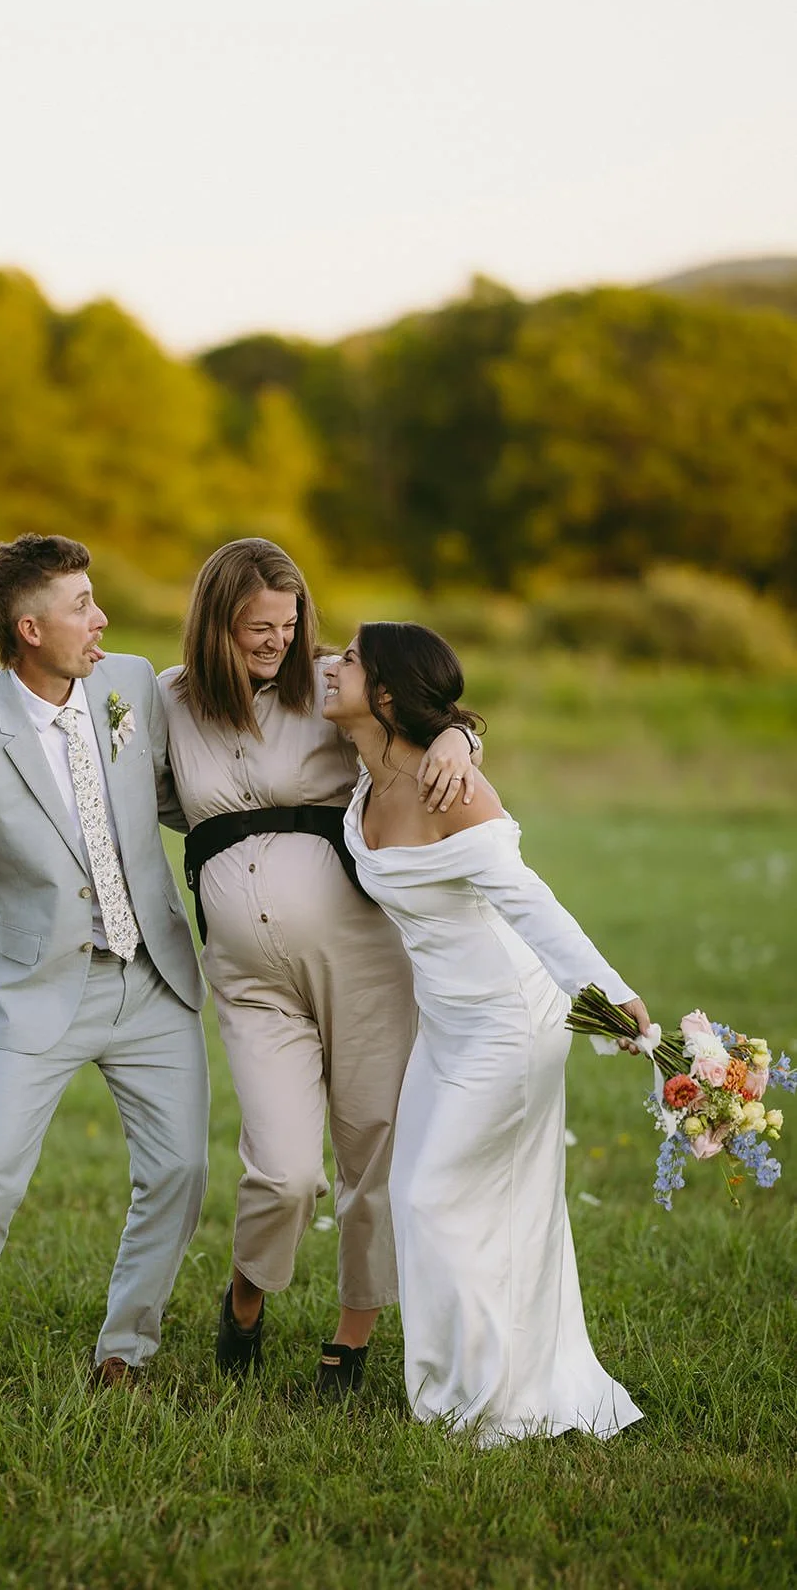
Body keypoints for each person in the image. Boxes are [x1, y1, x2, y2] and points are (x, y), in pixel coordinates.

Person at [157, 539, 479, 1399]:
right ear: (213, 624)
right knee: (283, 1168)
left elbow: (423, 706)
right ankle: (245, 1298)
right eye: (256, 626)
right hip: (245, 973)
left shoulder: (333, 682)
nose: (277, 641)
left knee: (372, 1143)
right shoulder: (168, 703)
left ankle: (353, 1331)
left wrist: (456, 738)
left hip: (364, 959)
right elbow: (131, 798)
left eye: (289, 623)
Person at [324, 621, 647, 1443]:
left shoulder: (451, 790)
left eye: (350, 660)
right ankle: (460, 1385)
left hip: (507, 1017)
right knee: (421, 1196)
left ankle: (483, 1403)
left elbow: (528, 900)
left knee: (434, 1197)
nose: (330, 666)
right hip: (447, 1023)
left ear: (388, 692)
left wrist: (609, 993)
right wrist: (462, 734)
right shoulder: (366, 779)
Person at [0, 533, 208, 1411]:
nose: (101, 618)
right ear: (29, 628)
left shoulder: (128, 686)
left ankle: (125, 1350)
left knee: (181, 1173)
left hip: (154, 980)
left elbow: (178, 790)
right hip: (38, 997)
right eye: (82, 605)